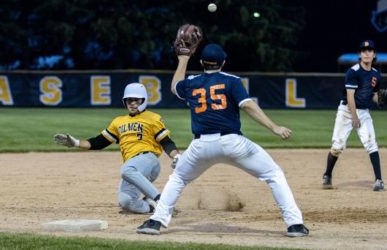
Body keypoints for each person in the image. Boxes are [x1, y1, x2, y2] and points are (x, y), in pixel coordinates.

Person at [136, 43, 309, 237]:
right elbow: (248, 106)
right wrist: (274, 127)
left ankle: (156, 221)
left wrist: (183, 59)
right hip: (232, 143)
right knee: (274, 174)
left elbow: (175, 87)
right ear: (223, 62)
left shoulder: (192, 83)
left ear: (201, 62)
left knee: (178, 179)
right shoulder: (232, 81)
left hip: (200, 146)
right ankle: (294, 225)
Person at [54, 82, 181, 214]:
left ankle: (163, 202)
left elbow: (166, 142)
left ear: (144, 100)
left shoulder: (153, 118)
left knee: (126, 169)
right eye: (129, 100)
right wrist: (75, 142)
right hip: (132, 167)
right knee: (126, 202)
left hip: (148, 160)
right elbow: (99, 142)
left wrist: (176, 156)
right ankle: (151, 206)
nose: (132, 103)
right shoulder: (118, 121)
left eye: (136, 100)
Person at [322, 40, 384, 191]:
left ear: (374, 54)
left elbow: (374, 95)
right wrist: (354, 117)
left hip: (363, 111)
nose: (367, 53)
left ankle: (379, 180)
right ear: (360, 54)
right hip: (346, 111)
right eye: (364, 50)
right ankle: (327, 174)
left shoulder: (376, 75)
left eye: (370, 50)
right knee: (337, 147)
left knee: (371, 143)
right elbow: (350, 96)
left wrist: (381, 100)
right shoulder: (353, 72)